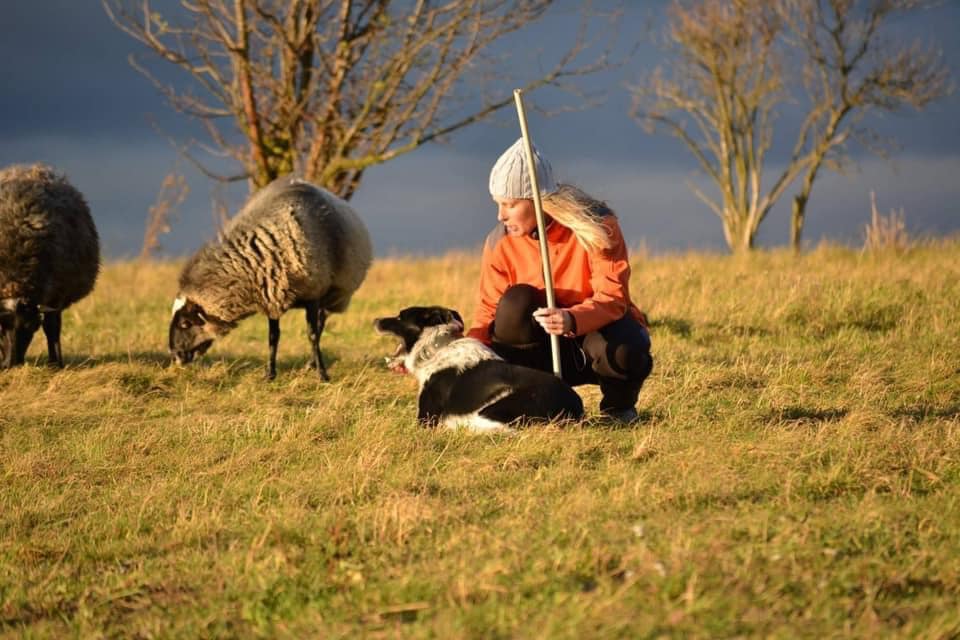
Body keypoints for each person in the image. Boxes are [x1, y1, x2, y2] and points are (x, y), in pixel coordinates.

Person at [466, 138, 653, 423]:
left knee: (627, 348)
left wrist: (571, 319)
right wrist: (465, 356)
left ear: (539, 200)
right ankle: (536, 410)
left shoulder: (598, 227)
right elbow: (486, 314)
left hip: (593, 343)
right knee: (517, 300)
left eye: (509, 204)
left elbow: (614, 298)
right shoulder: (498, 243)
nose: (500, 215)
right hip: (537, 352)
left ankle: (618, 412)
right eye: (498, 204)